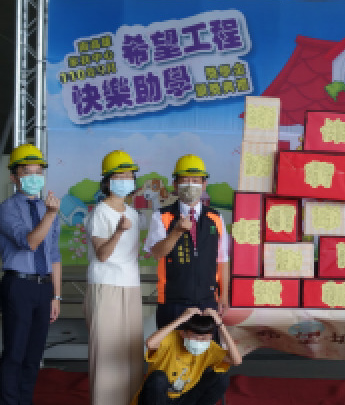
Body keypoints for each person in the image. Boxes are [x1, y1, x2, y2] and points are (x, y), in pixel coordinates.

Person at [0, 143, 62, 405]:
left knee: (34, 355)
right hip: (18, 285)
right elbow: (30, 242)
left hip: (43, 287)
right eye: (27, 172)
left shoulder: (47, 209)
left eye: (38, 172)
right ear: (14, 177)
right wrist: (50, 215)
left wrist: (56, 295)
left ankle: (25, 400)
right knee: (15, 351)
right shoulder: (7, 209)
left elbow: (54, 255)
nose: (34, 177)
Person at [84, 150, 144, 405]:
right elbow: (102, 255)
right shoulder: (100, 212)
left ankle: (131, 400)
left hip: (131, 284)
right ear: (107, 181)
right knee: (107, 351)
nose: (125, 180)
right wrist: (118, 231)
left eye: (129, 175)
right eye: (118, 176)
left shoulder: (133, 213)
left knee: (130, 351)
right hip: (106, 284)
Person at [145, 154, 231, 328]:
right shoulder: (162, 216)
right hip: (172, 300)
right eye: (185, 180)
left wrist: (223, 296)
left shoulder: (215, 217)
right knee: (170, 345)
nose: (191, 185)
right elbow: (157, 253)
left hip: (208, 301)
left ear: (204, 184)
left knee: (206, 346)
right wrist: (176, 232)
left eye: (196, 180)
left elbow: (222, 259)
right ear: (175, 184)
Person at [132, 308, 242, 405]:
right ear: (183, 334)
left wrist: (220, 324)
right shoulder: (172, 338)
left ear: (210, 337)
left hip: (183, 398)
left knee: (221, 377)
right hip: (157, 398)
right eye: (194, 337)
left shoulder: (210, 347)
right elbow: (150, 344)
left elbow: (236, 361)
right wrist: (182, 319)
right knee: (158, 378)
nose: (199, 342)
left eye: (204, 338)